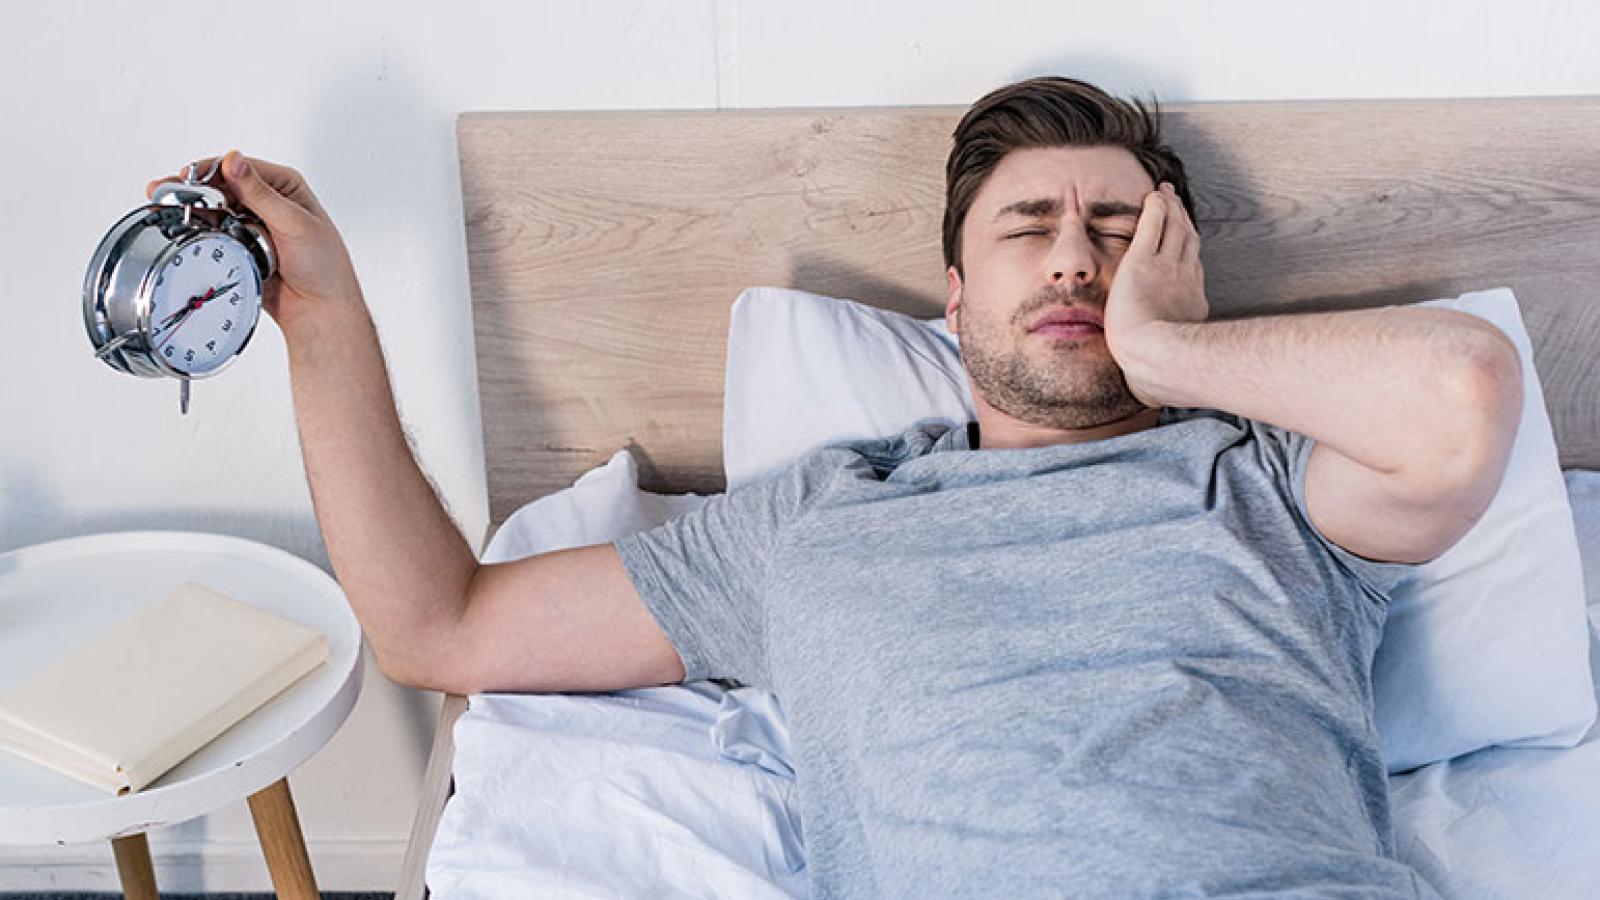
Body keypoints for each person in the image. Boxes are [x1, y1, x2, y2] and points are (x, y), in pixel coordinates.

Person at [151, 75, 1522, 899]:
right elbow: (435, 627)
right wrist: (322, 316)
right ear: (955, 295)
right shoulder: (818, 525)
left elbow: (1465, 393)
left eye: (1118, 232)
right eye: (1029, 230)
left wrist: (1166, 347)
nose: (1072, 262)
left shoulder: (1271, 485)